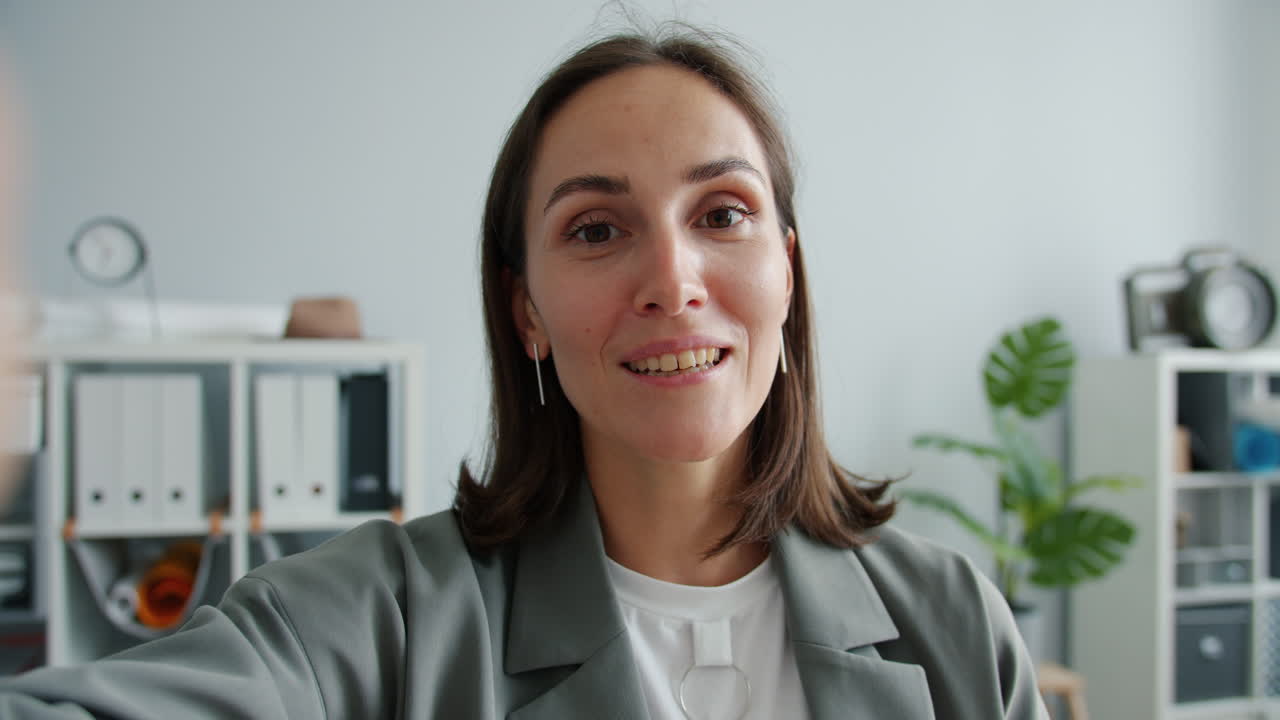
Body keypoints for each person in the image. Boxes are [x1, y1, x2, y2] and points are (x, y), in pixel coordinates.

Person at [0, 26, 1048, 719]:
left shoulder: (952, 622)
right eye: (596, 229)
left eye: (721, 214)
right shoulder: (379, 621)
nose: (672, 280)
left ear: (788, 266)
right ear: (525, 312)